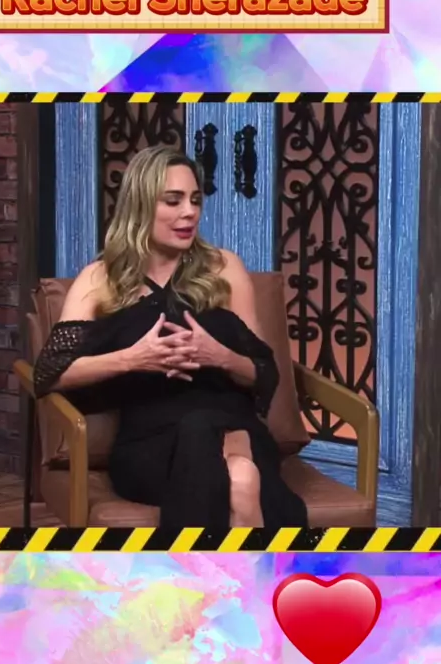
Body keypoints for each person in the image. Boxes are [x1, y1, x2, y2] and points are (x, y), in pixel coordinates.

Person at [33, 146, 308, 530]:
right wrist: (133, 358)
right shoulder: (100, 279)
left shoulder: (224, 267)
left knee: (231, 461)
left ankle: (192, 566)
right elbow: (49, 372)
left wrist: (220, 356)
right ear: (141, 205)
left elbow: (264, 372)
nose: (189, 212)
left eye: (195, 200)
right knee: (240, 477)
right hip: (150, 446)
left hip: (236, 428)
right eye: (173, 200)